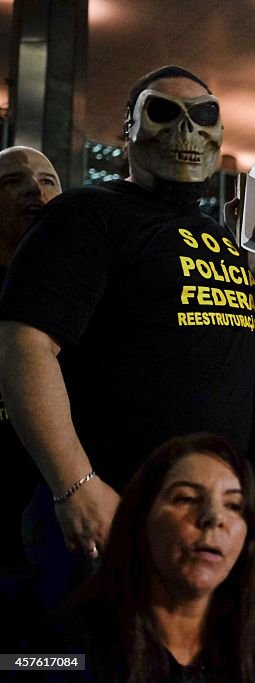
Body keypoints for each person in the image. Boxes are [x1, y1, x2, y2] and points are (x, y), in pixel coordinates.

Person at [0, 66, 255, 606]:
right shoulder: (87, 213)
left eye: (203, 115)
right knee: (56, 664)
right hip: (107, 520)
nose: (187, 131)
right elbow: (26, 344)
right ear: (129, 129)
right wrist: (76, 486)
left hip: (200, 534)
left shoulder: (221, 239)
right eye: (163, 113)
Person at [49, 433, 255, 682]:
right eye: (187, 498)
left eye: (234, 506)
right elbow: (13, 662)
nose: (214, 518)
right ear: (141, 519)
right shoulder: (66, 647)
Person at [0, 145, 61, 649]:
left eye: (47, 180)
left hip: (59, 532)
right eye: (12, 181)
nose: (34, 191)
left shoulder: (79, 293)